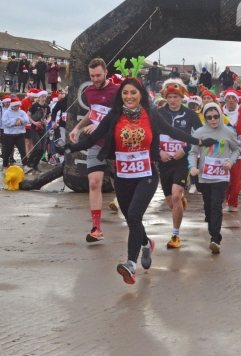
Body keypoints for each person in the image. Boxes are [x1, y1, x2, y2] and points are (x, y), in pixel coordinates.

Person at [61, 78, 217, 284]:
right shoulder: (114, 115)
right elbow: (92, 139)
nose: (129, 97)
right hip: (123, 175)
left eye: (133, 93)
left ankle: (130, 265)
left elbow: (173, 132)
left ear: (141, 94)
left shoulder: (151, 115)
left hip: (147, 174)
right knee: (131, 220)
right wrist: (68, 148)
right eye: (125, 93)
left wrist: (199, 141)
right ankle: (146, 243)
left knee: (134, 215)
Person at [68, 58, 120, 242]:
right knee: (94, 182)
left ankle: (129, 213)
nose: (95, 79)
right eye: (92, 76)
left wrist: (99, 125)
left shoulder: (117, 91)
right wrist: (77, 128)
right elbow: (92, 113)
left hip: (115, 145)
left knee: (119, 184)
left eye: (98, 75)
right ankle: (96, 228)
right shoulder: (89, 92)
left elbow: (120, 117)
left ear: (106, 72)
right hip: (96, 144)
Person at [157, 79, 203, 248]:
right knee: (171, 201)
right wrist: (158, 152)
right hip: (164, 161)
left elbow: (200, 136)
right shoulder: (158, 113)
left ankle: (175, 236)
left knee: (176, 195)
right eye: (169, 97)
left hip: (182, 161)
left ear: (182, 97)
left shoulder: (190, 115)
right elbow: (150, 135)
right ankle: (180, 202)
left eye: (176, 96)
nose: (172, 100)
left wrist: (184, 149)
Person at [189, 102, 241, 253]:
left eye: (216, 116)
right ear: (205, 118)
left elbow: (236, 149)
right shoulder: (199, 132)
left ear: (220, 115)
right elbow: (193, 152)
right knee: (208, 206)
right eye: (209, 117)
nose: (213, 120)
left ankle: (215, 238)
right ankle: (212, 224)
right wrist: (192, 167)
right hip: (204, 177)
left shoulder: (229, 132)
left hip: (221, 177)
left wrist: (230, 162)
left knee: (216, 205)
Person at [1, 98, 30, 168]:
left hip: (20, 134)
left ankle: (25, 164)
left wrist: (20, 120)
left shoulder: (22, 112)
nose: (17, 107)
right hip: (9, 134)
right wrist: (14, 121)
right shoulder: (6, 112)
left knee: (22, 150)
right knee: (7, 150)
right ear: (12, 106)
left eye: (18, 106)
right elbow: (5, 123)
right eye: (15, 106)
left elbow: (26, 120)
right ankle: (5, 164)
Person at [26, 90, 50, 173]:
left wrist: (47, 121)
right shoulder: (34, 106)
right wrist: (34, 122)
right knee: (38, 147)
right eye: (42, 96)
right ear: (39, 97)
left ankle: (35, 164)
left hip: (43, 128)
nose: (44, 98)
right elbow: (28, 115)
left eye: (45, 96)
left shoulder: (47, 106)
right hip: (34, 128)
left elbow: (49, 116)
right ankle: (29, 162)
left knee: (43, 149)